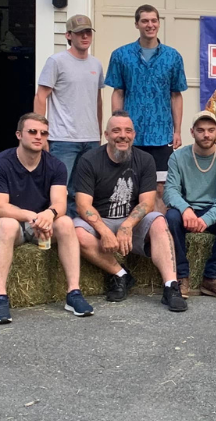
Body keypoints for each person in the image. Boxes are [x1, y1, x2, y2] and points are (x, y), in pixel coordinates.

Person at [0, 113, 94, 324]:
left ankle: (73, 293)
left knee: (65, 221)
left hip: (42, 228)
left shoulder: (56, 166)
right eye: (32, 132)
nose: (38, 137)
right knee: (7, 225)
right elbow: (0, 208)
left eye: (43, 133)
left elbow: (60, 205)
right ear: (19, 135)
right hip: (13, 225)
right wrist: (32, 216)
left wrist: (49, 214)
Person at [73, 111, 187, 312]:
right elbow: (83, 205)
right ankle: (120, 274)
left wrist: (127, 225)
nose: (122, 135)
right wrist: (106, 232)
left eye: (127, 131)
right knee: (77, 233)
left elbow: (147, 202)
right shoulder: (89, 160)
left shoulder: (145, 160)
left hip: (132, 220)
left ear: (134, 135)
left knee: (159, 221)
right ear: (106, 135)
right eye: (116, 131)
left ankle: (171, 286)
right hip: (102, 220)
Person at [106, 4, 188, 212]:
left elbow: (176, 94)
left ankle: (157, 234)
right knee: (127, 185)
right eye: (144, 21)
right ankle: (129, 234)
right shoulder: (121, 55)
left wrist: (177, 130)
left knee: (161, 188)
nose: (149, 25)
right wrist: (117, 126)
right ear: (136, 24)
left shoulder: (173, 56)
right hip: (130, 134)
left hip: (161, 134)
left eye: (153, 21)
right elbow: (118, 92)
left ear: (159, 23)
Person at [164, 111, 216, 300]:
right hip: (187, 209)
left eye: (210, 130)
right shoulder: (178, 157)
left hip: (212, 211)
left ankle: (213, 277)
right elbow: (170, 191)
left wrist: (206, 219)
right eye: (200, 130)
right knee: (171, 217)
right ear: (192, 132)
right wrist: (186, 210)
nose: (206, 135)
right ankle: (181, 276)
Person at [34, 14, 105, 218]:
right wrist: (42, 133)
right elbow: (41, 96)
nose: (84, 36)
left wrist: (98, 133)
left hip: (90, 139)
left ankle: (76, 232)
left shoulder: (96, 65)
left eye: (88, 32)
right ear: (68, 35)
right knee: (56, 188)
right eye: (79, 32)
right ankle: (47, 229)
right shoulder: (56, 61)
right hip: (62, 138)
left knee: (83, 191)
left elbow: (97, 100)